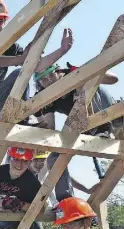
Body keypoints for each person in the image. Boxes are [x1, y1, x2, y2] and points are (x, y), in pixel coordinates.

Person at [0, 0, 73, 203]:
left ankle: (22, 117)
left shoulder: (9, 46)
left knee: (21, 71)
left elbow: (34, 65)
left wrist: (62, 50)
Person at [33, 63, 119, 202]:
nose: (48, 81)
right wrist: (38, 114)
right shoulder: (48, 96)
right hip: (86, 125)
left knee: (87, 84)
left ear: (58, 71)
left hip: (110, 113)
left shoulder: (72, 74)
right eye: (43, 80)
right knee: (54, 158)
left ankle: (103, 127)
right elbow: (50, 128)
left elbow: (114, 79)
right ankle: (66, 201)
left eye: (50, 76)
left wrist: (88, 72)